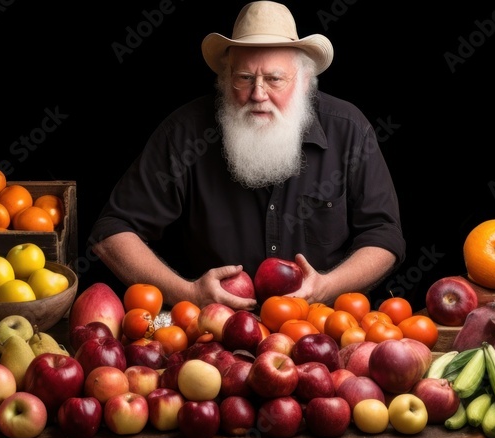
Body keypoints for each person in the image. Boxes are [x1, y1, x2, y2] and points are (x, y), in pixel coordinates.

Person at [89, 1, 405, 311]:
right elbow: (112, 231)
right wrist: (188, 293)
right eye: (244, 77)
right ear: (226, 79)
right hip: (213, 335)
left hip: (324, 331)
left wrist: (327, 287)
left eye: (274, 79)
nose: (258, 93)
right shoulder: (185, 133)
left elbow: (384, 235)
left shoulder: (349, 130)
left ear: (304, 81)